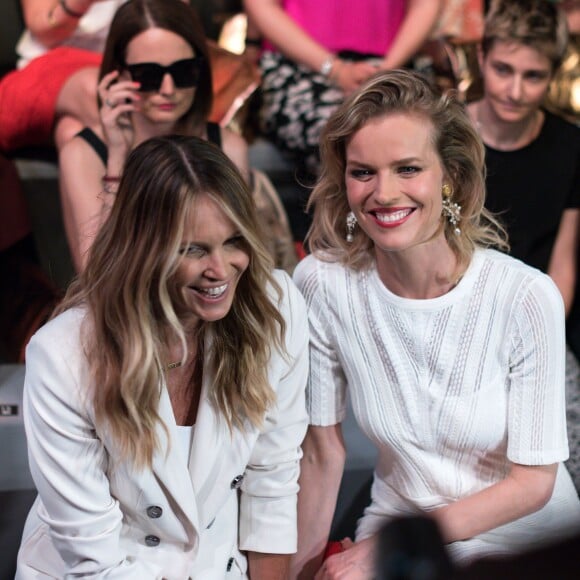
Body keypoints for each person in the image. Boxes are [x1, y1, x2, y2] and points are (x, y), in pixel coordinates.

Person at [291, 69, 580, 579]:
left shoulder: (526, 296)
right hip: (398, 522)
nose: (383, 193)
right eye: (363, 172)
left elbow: (533, 483)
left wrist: (384, 552)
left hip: (524, 538)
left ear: (450, 176)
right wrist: (299, 571)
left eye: (407, 168)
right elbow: (321, 452)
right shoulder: (321, 285)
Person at [16, 134, 309, 579]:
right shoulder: (62, 355)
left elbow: (272, 481)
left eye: (234, 241)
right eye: (192, 249)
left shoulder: (274, 306)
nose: (220, 269)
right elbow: (94, 560)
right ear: (142, 249)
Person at [466, 0, 580, 492]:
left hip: (536, 317)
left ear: (553, 74)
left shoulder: (570, 145)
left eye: (532, 76)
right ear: (481, 56)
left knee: (566, 447)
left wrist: (541, 334)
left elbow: (565, 258)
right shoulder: (447, 133)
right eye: (503, 70)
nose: (514, 90)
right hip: (458, 315)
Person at [59, 0, 250, 271]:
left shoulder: (228, 146)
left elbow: (237, 254)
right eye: (149, 74)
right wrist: (116, 161)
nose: (167, 88)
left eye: (183, 71)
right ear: (119, 74)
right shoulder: (84, 153)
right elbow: (95, 272)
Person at [242, 0, 444, 176]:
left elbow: (425, 4)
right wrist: (336, 69)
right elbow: (262, 5)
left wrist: (386, 70)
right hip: (300, 62)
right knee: (341, 135)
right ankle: (348, 215)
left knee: (419, 129)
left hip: (394, 61)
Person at [0, 0, 126, 152]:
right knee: (99, 91)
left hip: (117, 63)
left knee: (71, 133)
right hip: (50, 64)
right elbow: (45, 33)